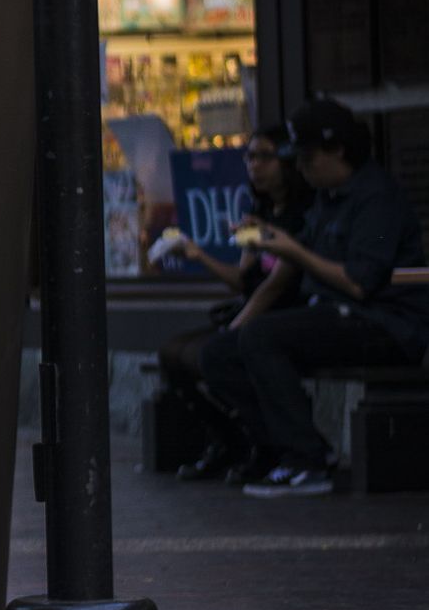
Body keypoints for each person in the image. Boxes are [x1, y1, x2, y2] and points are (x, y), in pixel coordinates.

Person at [201, 99, 429, 497]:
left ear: (337, 151)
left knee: (263, 338)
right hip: (332, 313)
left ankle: (307, 459)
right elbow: (292, 261)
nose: (301, 168)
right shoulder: (326, 198)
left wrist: (294, 251)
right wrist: (265, 238)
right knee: (220, 352)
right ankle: (278, 451)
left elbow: (360, 284)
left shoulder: (376, 199)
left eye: (307, 158)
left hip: (382, 322)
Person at [161, 126, 312, 481]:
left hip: (283, 313)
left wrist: (237, 325)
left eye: (264, 157)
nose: (253, 165)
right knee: (172, 354)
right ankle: (226, 440)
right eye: (249, 156)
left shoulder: (302, 216)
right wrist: (200, 255)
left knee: (217, 354)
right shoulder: (258, 212)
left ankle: (263, 445)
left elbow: (275, 287)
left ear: (287, 162)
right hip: (252, 310)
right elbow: (243, 280)